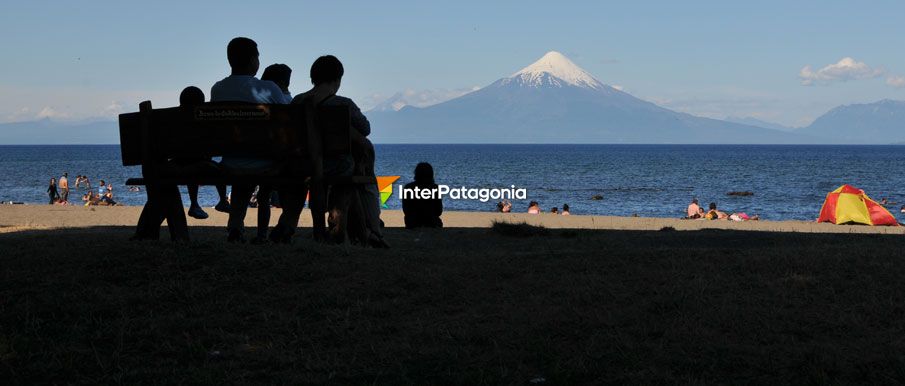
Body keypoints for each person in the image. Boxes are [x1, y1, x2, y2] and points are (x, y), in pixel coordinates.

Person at [273, 55, 386, 247]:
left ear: (312, 78)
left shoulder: (297, 102)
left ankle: (287, 225)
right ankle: (350, 224)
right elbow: (365, 129)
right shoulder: (344, 104)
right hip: (336, 166)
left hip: (302, 165)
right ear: (338, 79)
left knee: (309, 180)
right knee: (347, 178)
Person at [211, 37, 289, 242]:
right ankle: (270, 231)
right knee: (255, 167)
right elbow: (289, 122)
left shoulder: (217, 89)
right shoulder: (270, 88)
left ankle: (235, 227)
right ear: (253, 60)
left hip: (230, 162)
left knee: (240, 177)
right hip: (265, 163)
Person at [178, 86, 231, 219]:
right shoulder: (203, 119)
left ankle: (194, 203)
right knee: (218, 168)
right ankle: (223, 201)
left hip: (177, 162)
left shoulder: (173, 118)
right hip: (199, 163)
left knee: (192, 164)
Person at [402, 162, 443, 229]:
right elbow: (439, 211)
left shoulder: (408, 187)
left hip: (412, 222)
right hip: (431, 222)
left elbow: (406, 210)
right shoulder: (435, 188)